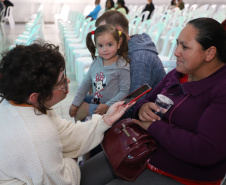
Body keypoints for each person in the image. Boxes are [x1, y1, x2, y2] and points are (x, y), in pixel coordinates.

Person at [80, 17, 226, 185]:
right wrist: (142, 107)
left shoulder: (221, 90)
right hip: (142, 149)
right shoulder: (178, 74)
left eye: (184, 47)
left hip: (181, 173)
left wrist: (154, 126)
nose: (176, 52)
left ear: (210, 53)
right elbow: (142, 101)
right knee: (81, 177)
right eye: (177, 43)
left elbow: (205, 150)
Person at [0, 41, 134, 185]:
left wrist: (105, 120)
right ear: (36, 96)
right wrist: (70, 158)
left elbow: (65, 133)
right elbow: (64, 182)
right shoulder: (37, 135)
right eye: (62, 82)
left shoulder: (17, 102)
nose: (68, 81)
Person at [95, 10, 166, 119]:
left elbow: (132, 106)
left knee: (87, 109)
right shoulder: (123, 49)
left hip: (140, 119)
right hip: (124, 105)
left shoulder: (139, 59)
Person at [69, 24, 130, 122]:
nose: (105, 49)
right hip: (96, 105)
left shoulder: (122, 66)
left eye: (109, 45)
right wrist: (75, 103)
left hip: (112, 111)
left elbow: (124, 92)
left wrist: (107, 106)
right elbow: (85, 83)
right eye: (100, 46)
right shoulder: (96, 62)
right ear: (96, 46)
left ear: (118, 44)